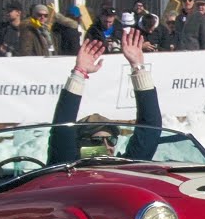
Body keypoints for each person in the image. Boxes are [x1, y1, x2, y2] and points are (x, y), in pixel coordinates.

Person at [47, 27, 161, 165]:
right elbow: (62, 131)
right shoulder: (67, 168)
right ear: (80, 145)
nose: (107, 147)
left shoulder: (126, 168)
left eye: (111, 140)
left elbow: (151, 128)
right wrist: (79, 73)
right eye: (97, 141)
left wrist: (138, 67)